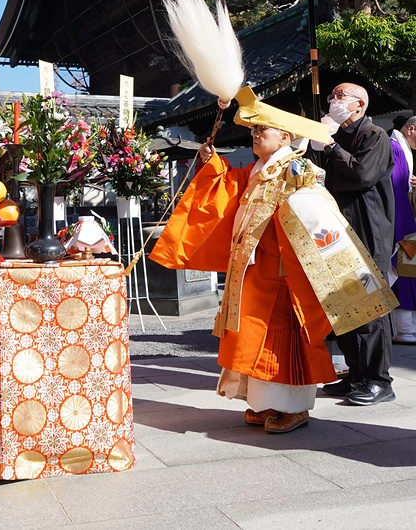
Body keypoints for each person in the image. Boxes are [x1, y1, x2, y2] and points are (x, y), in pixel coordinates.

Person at [150, 86, 396, 433]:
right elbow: (229, 187)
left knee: (284, 338)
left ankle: (293, 407)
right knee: (252, 336)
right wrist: (212, 163)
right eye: (253, 130)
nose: (255, 135)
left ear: (284, 136)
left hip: (283, 270)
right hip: (254, 269)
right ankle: (263, 402)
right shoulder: (258, 170)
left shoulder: (295, 168)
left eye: (261, 129)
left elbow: (315, 214)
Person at [319, 82, 396, 405]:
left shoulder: (374, 135)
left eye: (341, 96)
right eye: (332, 96)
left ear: (360, 105)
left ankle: (379, 379)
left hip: (368, 229)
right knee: (343, 304)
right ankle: (356, 372)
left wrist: (330, 146)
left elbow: (362, 174)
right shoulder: (335, 135)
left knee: (369, 305)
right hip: (337, 230)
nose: (333, 100)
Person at [389, 116, 416, 343]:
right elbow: (396, 189)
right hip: (400, 221)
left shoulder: (400, 148)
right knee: (403, 272)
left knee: (407, 272)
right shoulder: (395, 148)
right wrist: (401, 226)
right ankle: (404, 328)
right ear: (411, 129)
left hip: (404, 218)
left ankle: (407, 327)